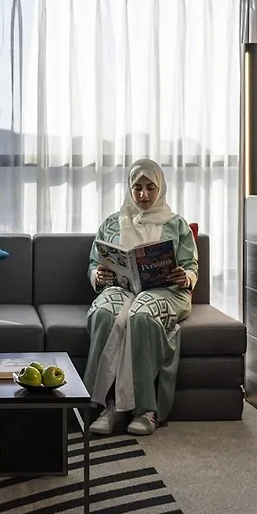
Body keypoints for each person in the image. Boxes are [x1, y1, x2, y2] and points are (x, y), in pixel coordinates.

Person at [83, 159, 198, 436]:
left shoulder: (176, 224)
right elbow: (94, 263)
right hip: (121, 290)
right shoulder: (112, 223)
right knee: (104, 314)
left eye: (150, 187)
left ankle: (145, 409)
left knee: (141, 317)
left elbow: (191, 266)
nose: (143, 195)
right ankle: (108, 406)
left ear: (161, 188)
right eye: (137, 188)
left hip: (166, 291)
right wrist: (98, 275)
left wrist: (185, 276)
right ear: (129, 188)